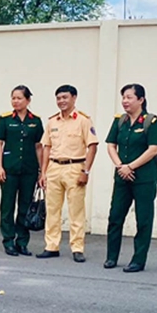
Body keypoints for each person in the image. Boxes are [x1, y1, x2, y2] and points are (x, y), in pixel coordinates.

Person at [104, 84, 157, 273]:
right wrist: (121, 166)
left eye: (129, 97)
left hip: (144, 178)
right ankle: (111, 257)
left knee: (143, 220)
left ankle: (138, 260)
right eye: (123, 97)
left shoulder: (151, 122)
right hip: (122, 177)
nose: (125, 101)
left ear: (141, 100)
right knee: (115, 217)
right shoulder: (119, 121)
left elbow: (153, 149)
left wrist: (131, 166)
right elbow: (111, 145)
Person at [37, 85, 98, 262]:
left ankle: (77, 248)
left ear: (74, 98)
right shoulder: (52, 121)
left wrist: (86, 171)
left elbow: (92, 146)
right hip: (54, 168)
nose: (61, 101)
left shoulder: (83, 120)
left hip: (75, 167)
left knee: (76, 210)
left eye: (65, 97)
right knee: (52, 209)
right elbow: (46, 147)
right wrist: (43, 172)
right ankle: (51, 246)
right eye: (58, 98)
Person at [0, 86, 44, 256]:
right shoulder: (6, 119)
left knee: (25, 206)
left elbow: (39, 147)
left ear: (28, 100)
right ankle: (8, 241)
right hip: (9, 169)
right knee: (7, 206)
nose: (15, 101)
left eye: (19, 98)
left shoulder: (35, 121)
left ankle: (22, 242)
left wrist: (41, 171)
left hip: (29, 170)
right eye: (13, 98)